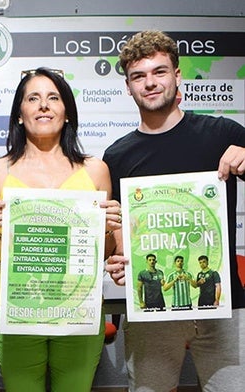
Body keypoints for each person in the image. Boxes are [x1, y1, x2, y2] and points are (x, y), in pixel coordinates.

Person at [103, 30, 245, 391]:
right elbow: (118, 235)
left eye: (159, 71)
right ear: (128, 86)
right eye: (139, 76)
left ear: (177, 75)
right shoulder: (117, 157)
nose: (150, 83)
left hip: (223, 305)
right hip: (151, 311)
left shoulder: (223, 133)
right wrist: (120, 259)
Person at [0, 67, 121, 392]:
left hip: (79, 310)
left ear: (67, 112)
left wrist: (109, 230)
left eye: (53, 97)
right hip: (16, 310)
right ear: (19, 114)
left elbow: (107, 252)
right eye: (33, 98)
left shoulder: (96, 170)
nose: (43, 105)